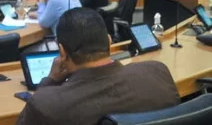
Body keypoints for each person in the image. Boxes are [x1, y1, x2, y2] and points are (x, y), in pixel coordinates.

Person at [15, 8, 179, 125]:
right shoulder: (158, 72)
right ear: (109, 41)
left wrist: (50, 80)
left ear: (62, 52)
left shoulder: (45, 104)